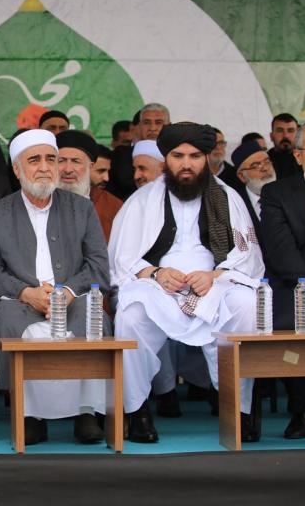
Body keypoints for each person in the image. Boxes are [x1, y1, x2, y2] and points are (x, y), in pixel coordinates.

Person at [109, 122, 263, 443]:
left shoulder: (227, 197)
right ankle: (136, 410)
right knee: (131, 314)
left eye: (195, 156)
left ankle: (239, 407)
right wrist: (155, 273)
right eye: (178, 156)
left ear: (207, 158)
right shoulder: (142, 200)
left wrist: (215, 276)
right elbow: (122, 258)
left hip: (216, 283)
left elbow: (246, 255)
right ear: (166, 160)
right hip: (158, 286)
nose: (186, 164)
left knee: (246, 304)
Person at [0, 129, 110, 445]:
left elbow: (98, 266)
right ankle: (29, 414)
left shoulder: (81, 208)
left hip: (73, 297)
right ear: (17, 168)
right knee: (10, 325)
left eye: (51, 159)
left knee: (94, 323)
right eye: (34, 160)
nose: (44, 167)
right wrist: (27, 293)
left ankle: (87, 412)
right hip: (18, 299)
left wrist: (67, 293)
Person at [260, 121, 305, 439]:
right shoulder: (277, 193)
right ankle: (303, 405)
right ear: (299, 156)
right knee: (289, 318)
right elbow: (280, 250)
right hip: (297, 283)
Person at [267, 113, 301, 179]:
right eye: (280, 131)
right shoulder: (263, 163)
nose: (285, 135)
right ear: (271, 136)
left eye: (290, 130)